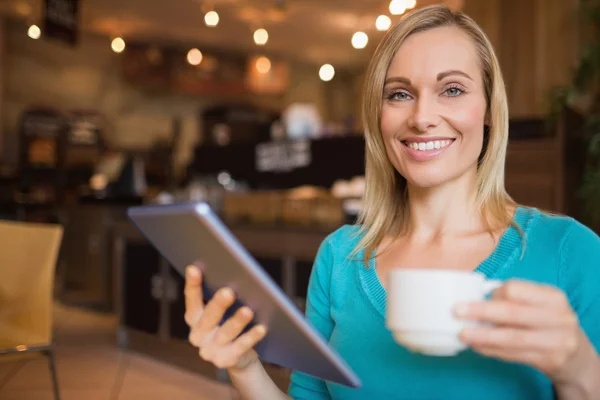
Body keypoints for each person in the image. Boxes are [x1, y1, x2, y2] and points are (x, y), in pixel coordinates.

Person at [183, 5, 600, 399]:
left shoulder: (569, 252)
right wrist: (244, 366)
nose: (421, 117)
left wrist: (579, 368)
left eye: (451, 89)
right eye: (399, 94)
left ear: (489, 108)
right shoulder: (341, 257)